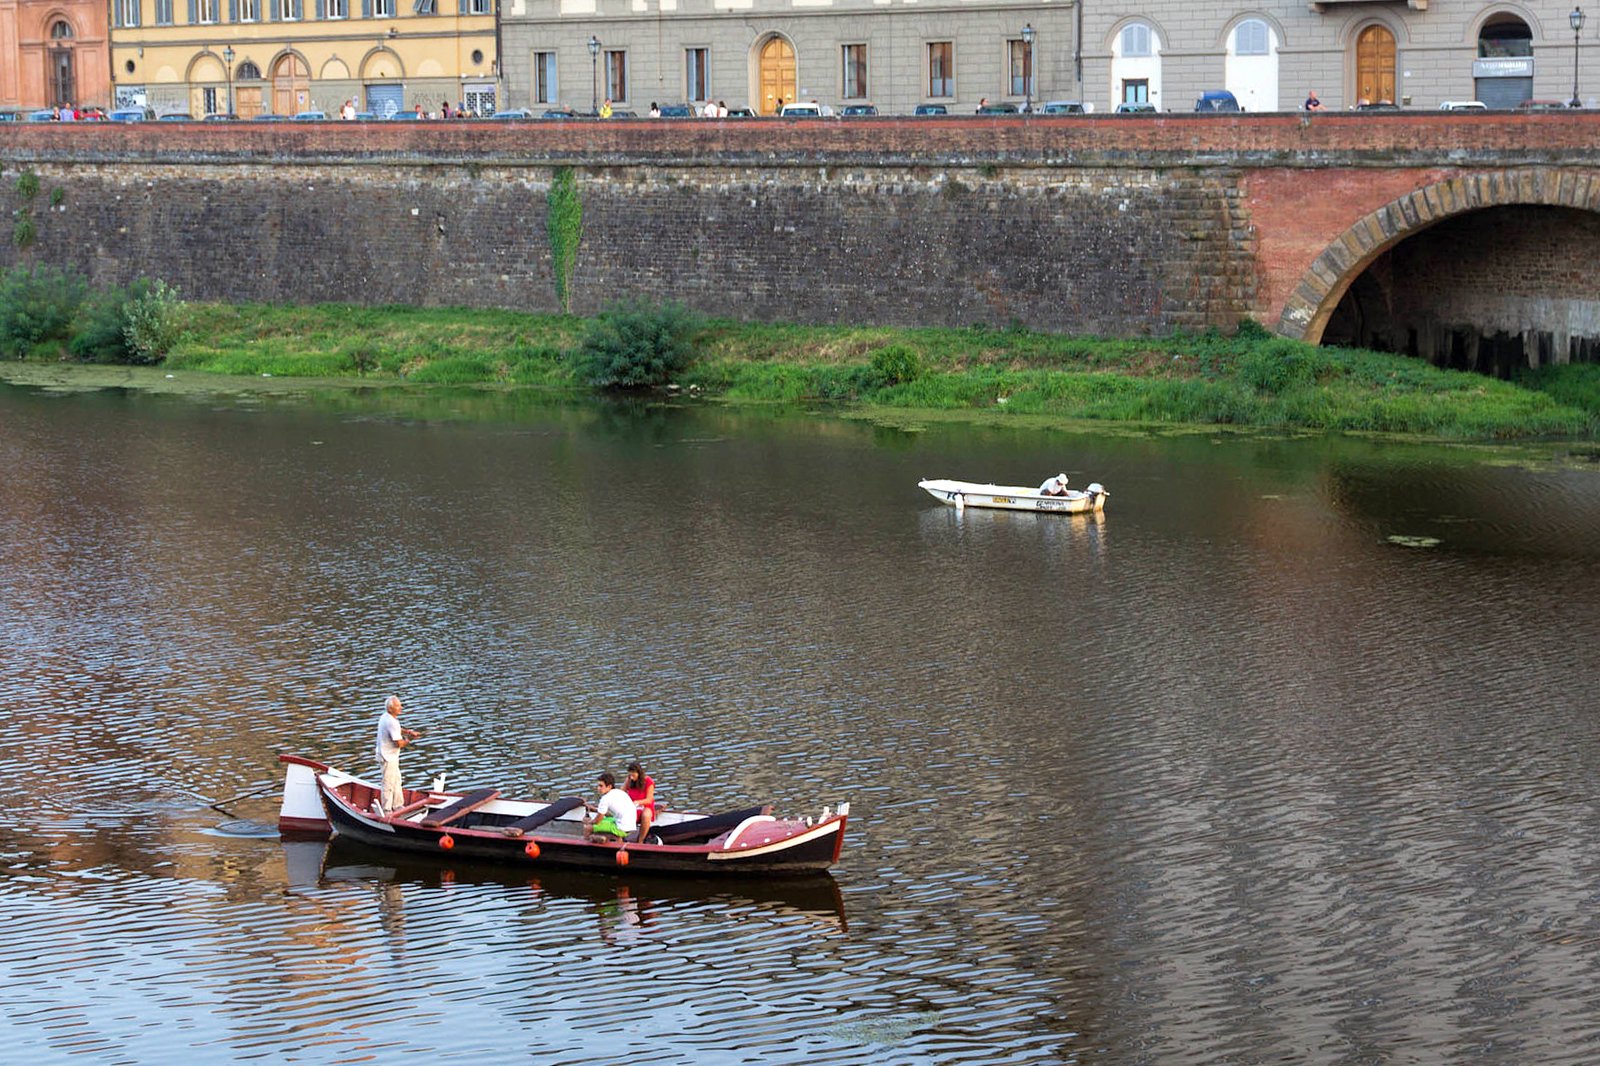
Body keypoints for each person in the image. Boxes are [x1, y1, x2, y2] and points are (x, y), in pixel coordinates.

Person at [374, 695, 420, 813]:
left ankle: (398, 805)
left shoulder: (387, 717)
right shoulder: (391, 721)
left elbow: (397, 729)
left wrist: (408, 732)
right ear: (391, 708)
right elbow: (399, 743)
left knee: (397, 780)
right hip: (387, 757)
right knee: (388, 783)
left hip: (391, 756)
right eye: (398, 706)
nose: (401, 708)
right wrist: (409, 740)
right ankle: (387, 809)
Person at [584, 771, 637, 843]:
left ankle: (588, 845)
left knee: (588, 828)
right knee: (606, 819)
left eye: (601, 786)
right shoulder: (619, 792)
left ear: (609, 786)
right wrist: (596, 810)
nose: (598, 788)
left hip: (621, 828)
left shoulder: (605, 799)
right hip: (631, 826)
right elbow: (610, 814)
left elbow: (597, 820)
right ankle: (601, 837)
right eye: (598, 786)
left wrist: (589, 822)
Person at [624, 762, 656, 841]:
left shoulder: (648, 781)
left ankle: (641, 840)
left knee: (646, 815)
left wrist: (637, 802)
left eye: (633, 775)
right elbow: (622, 790)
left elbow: (649, 799)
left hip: (644, 806)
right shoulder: (629, 780)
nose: (631, 778)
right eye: (630, 775)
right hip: (632, 807)